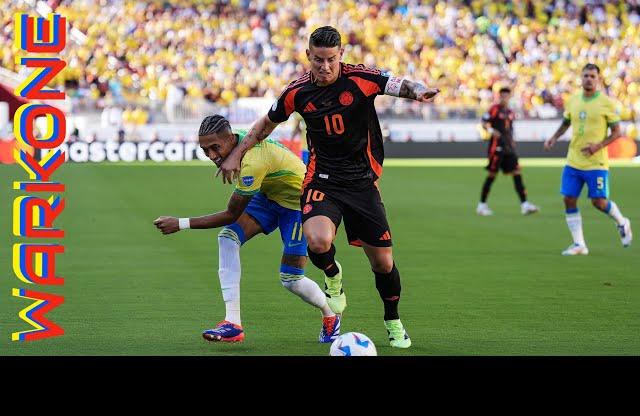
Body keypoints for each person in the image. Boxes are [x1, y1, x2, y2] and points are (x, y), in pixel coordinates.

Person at [217, 26, 439, 348]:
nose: (324, 66)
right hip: (323, 179)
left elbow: (396, 84)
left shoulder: (360, 78)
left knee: (383, 263)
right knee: (318, 241)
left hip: (363, 183)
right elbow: (266, 124)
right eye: (318, 59)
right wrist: (236, 153)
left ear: (341, 56)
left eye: (331, 59)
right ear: (308, 56)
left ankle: (393, 320)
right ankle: (332, 275)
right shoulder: (297, 92)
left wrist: (418, 91)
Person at [153, 115, 340, 343]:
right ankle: (232, 323)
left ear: (231, 139)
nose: (212, 155)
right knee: (228, 238)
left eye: (215, 148)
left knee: (291, 279)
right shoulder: (241, 138)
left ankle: (330, 316)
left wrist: (180, 223)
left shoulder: (253, 163)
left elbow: (230, 214)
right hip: (269, 195)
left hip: (299, 203)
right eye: (205, 150)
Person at [544, 64, 632, 255]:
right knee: (568, 199)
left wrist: (597, 146)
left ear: (598, 79)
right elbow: (566, 122)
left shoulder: (606, 103)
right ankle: (579, 244)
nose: (589, 79)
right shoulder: (574, 101)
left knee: (598, 202)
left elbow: (617, 132)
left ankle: (622, 222)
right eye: (585, 76)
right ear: (581, 78)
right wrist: (554, 137)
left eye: (592, 76)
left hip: (596, 163)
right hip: (574, 160)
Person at [477, 87, 539, 216]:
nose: (504, 98)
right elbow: (483, 122)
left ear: (509, 97)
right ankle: (482, 205)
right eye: (502, 96)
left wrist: (512, 142)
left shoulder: (510, 112)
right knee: (492, 175)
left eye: (506, 96)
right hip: (497, 148)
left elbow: (509, 129)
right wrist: (490, 130)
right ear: (499, 97)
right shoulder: (494, 109)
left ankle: (524, 204)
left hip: (508, 148)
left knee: (517, 173)